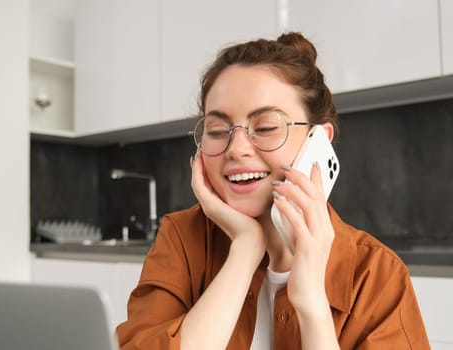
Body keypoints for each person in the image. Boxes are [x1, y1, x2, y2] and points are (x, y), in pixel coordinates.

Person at [116, 32, 430, 349]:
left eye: (265, 127)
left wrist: (312, 307)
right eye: (217, 130)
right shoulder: (182, 238)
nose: (235, 149)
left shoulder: (376, 274)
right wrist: (245, 249)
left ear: (318, 141)